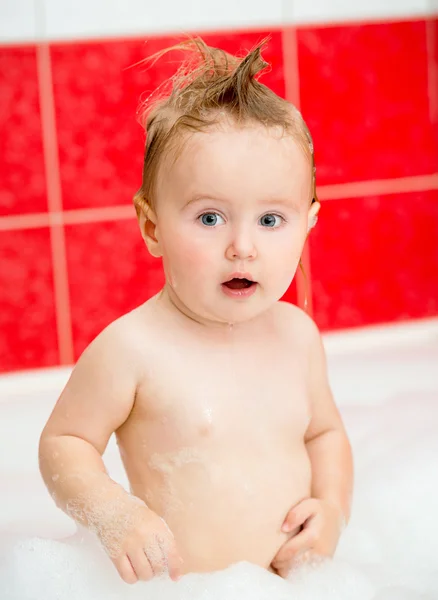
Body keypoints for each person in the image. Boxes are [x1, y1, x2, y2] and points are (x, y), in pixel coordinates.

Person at [38, 38, 353, 586]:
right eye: (210, 219)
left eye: (271, 220)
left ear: (309, 223)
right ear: (152, 227)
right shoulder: (133, 349)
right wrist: (116, 516)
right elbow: (64, 444)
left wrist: (331, 511)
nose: (242, 247)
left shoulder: (298, 336)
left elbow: (325, 435)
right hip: (184, 589)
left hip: (288, 585)